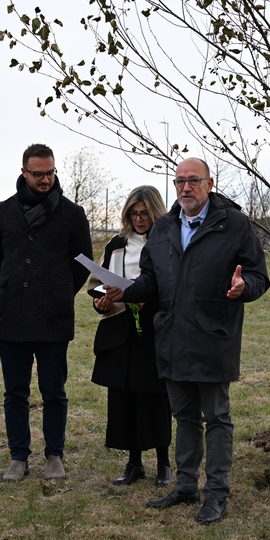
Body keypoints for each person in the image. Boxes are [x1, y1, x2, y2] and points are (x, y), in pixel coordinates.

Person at [107, 158, 270, 525]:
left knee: (217, 417)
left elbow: (260, 277)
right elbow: (151, 280)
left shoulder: (234, 225)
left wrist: (244, 288)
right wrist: (126, 291)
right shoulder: (164, 228)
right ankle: (185, 486)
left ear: (209, 184)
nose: (185, 188)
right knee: (183, 416)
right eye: (179, 181)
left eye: (193, 181)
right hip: (173, 339)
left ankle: (216, 493)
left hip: (214, 338)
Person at [0, 143, 93, 482]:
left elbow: (82, 263)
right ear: (24, 173)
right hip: (11, 316)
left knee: (53, 391)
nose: (46, 179)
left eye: (50, 173)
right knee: (15, 392)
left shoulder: (73, 214)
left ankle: (54, 456)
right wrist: (10, 282)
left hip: (54, 318)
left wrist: (58, 291)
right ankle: (19, 457)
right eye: (38, 174)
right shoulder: (3, 212)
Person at [90, 186, 172, 487]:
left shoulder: (167, 243)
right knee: (124, 398)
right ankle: (133, 463)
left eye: (145, 213)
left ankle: (164, 464)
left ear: (156, 212)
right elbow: (98, 283)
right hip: (121, 330)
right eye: (134, 214)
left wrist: (145, 298)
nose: (139, 219)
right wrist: (103, 301)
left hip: (155, 328)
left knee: (156, 397)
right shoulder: (116, 244)